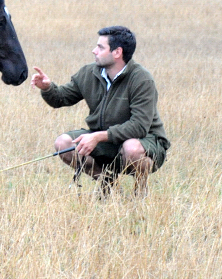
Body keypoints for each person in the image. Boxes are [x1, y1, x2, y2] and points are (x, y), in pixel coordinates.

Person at [31, 26, 169, 196]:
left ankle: (140, 191)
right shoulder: (89, 73)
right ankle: (109, 186)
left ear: (117, 52)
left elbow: (139, 127)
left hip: (145, 142)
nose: (94, 51)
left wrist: (97, 137)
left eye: (100, 47)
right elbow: (60, 99)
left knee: (131, 148)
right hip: (106, 142)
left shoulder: (141, 79)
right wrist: (47, 88)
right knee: (63, 144)